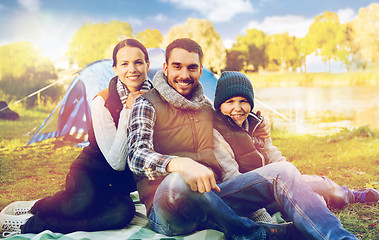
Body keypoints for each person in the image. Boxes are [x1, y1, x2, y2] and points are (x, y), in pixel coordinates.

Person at [127, 38, 358, 239]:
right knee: (178, 181)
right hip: (169, 208)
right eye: (177, 67)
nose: (184, 75)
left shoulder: (207, 107)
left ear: (201, 69)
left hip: (217, 195)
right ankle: (254, 234)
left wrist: (256, 127)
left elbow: (235, 130)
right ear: (165, 67)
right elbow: (136, 156)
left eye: (192, 67)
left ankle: (338, 237)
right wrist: (179, 164)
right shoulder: (146, 104)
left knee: (284, 171)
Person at [0, 39, 152, 237]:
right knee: (78, 203)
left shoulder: (155, 99)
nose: (132, 69)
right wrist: (129, 109)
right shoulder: (102, 101)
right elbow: (116, 162)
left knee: (121, 215)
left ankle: (34, 222)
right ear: (115, 68)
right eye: (124, 64)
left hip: (119, 185)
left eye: (138, 62)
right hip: (90, 171)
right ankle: (34, 213)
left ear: (148, 64)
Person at [212, 71, 379, 231]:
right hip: (254, 197)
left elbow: (274, 156)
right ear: (219, 105)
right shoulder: (217, 134)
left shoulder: (255, 124)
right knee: (314, 201)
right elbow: (234, 180)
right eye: (230, 102)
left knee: (316, 184)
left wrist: (295, 181)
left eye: (243, 101)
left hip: (275, 184)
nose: (238, 107)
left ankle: (350, 194)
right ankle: (333, 199)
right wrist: (264, 218)